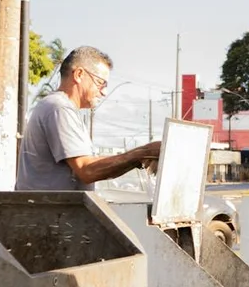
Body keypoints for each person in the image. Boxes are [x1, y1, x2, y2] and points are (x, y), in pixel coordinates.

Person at [15, 45, 160, 191]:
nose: (104, 92)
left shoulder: (60, 107)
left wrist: (140, 156)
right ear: (79, 74)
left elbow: (88, 163)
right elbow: (86, 169)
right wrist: (143, 153)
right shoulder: (59, 108)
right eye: (100, 83)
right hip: (49, 212)